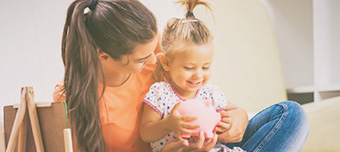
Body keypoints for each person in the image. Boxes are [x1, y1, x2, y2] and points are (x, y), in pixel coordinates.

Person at [53, 0, 309, 151]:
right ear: (104, 56)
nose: (156, 62)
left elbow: (219, 105)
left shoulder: (158, 56)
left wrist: (238, 119)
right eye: (143, 59)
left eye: (155, 50)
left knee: (292, 115)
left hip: (207, 143)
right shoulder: (73, 98)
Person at [139, 1, 245, 152]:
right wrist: (168, 124)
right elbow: (145, 133)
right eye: (189, 68)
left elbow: (235, 112)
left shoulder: (210, 93)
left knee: (289, 111)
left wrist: (228, 123)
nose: (199, 75)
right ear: (166, 62)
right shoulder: (160, 93)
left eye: (206, 67)